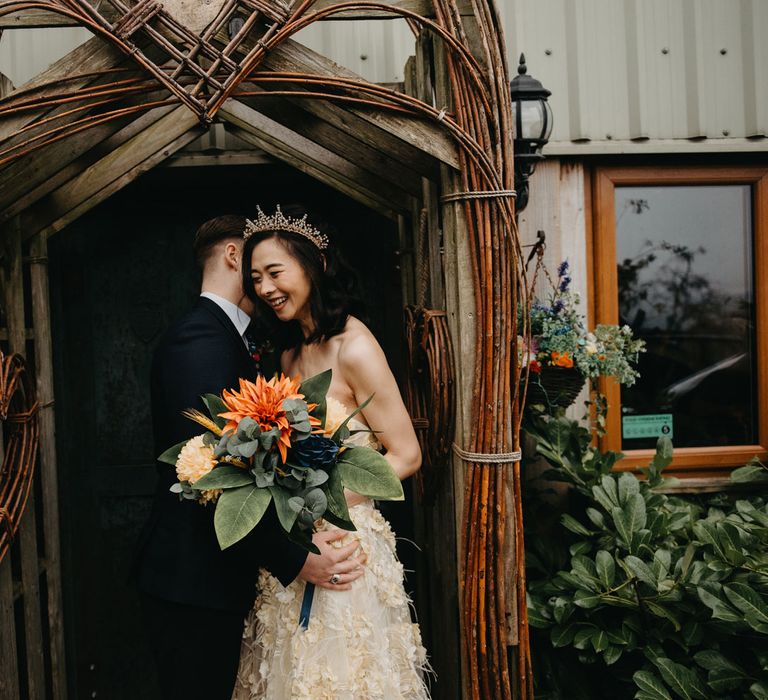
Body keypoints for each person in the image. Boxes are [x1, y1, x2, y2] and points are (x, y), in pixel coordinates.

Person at [136, 215, 367, 700]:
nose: (265, 284)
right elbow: (208, 474)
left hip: (224, 581)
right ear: (233, 256)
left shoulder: (241, 339)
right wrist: (297, 560)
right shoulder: (200, 340)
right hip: (194, 585)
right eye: (257, 265)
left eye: (275, 269)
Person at [231, 206, 431, 699]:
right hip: (294, 549)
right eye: (255, 277)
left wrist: (325, 503)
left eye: (275, 272)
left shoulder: (354, 347)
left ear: (314, 264)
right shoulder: (288, 355)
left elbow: (405, 454)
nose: (265, 287)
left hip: (346, 545)